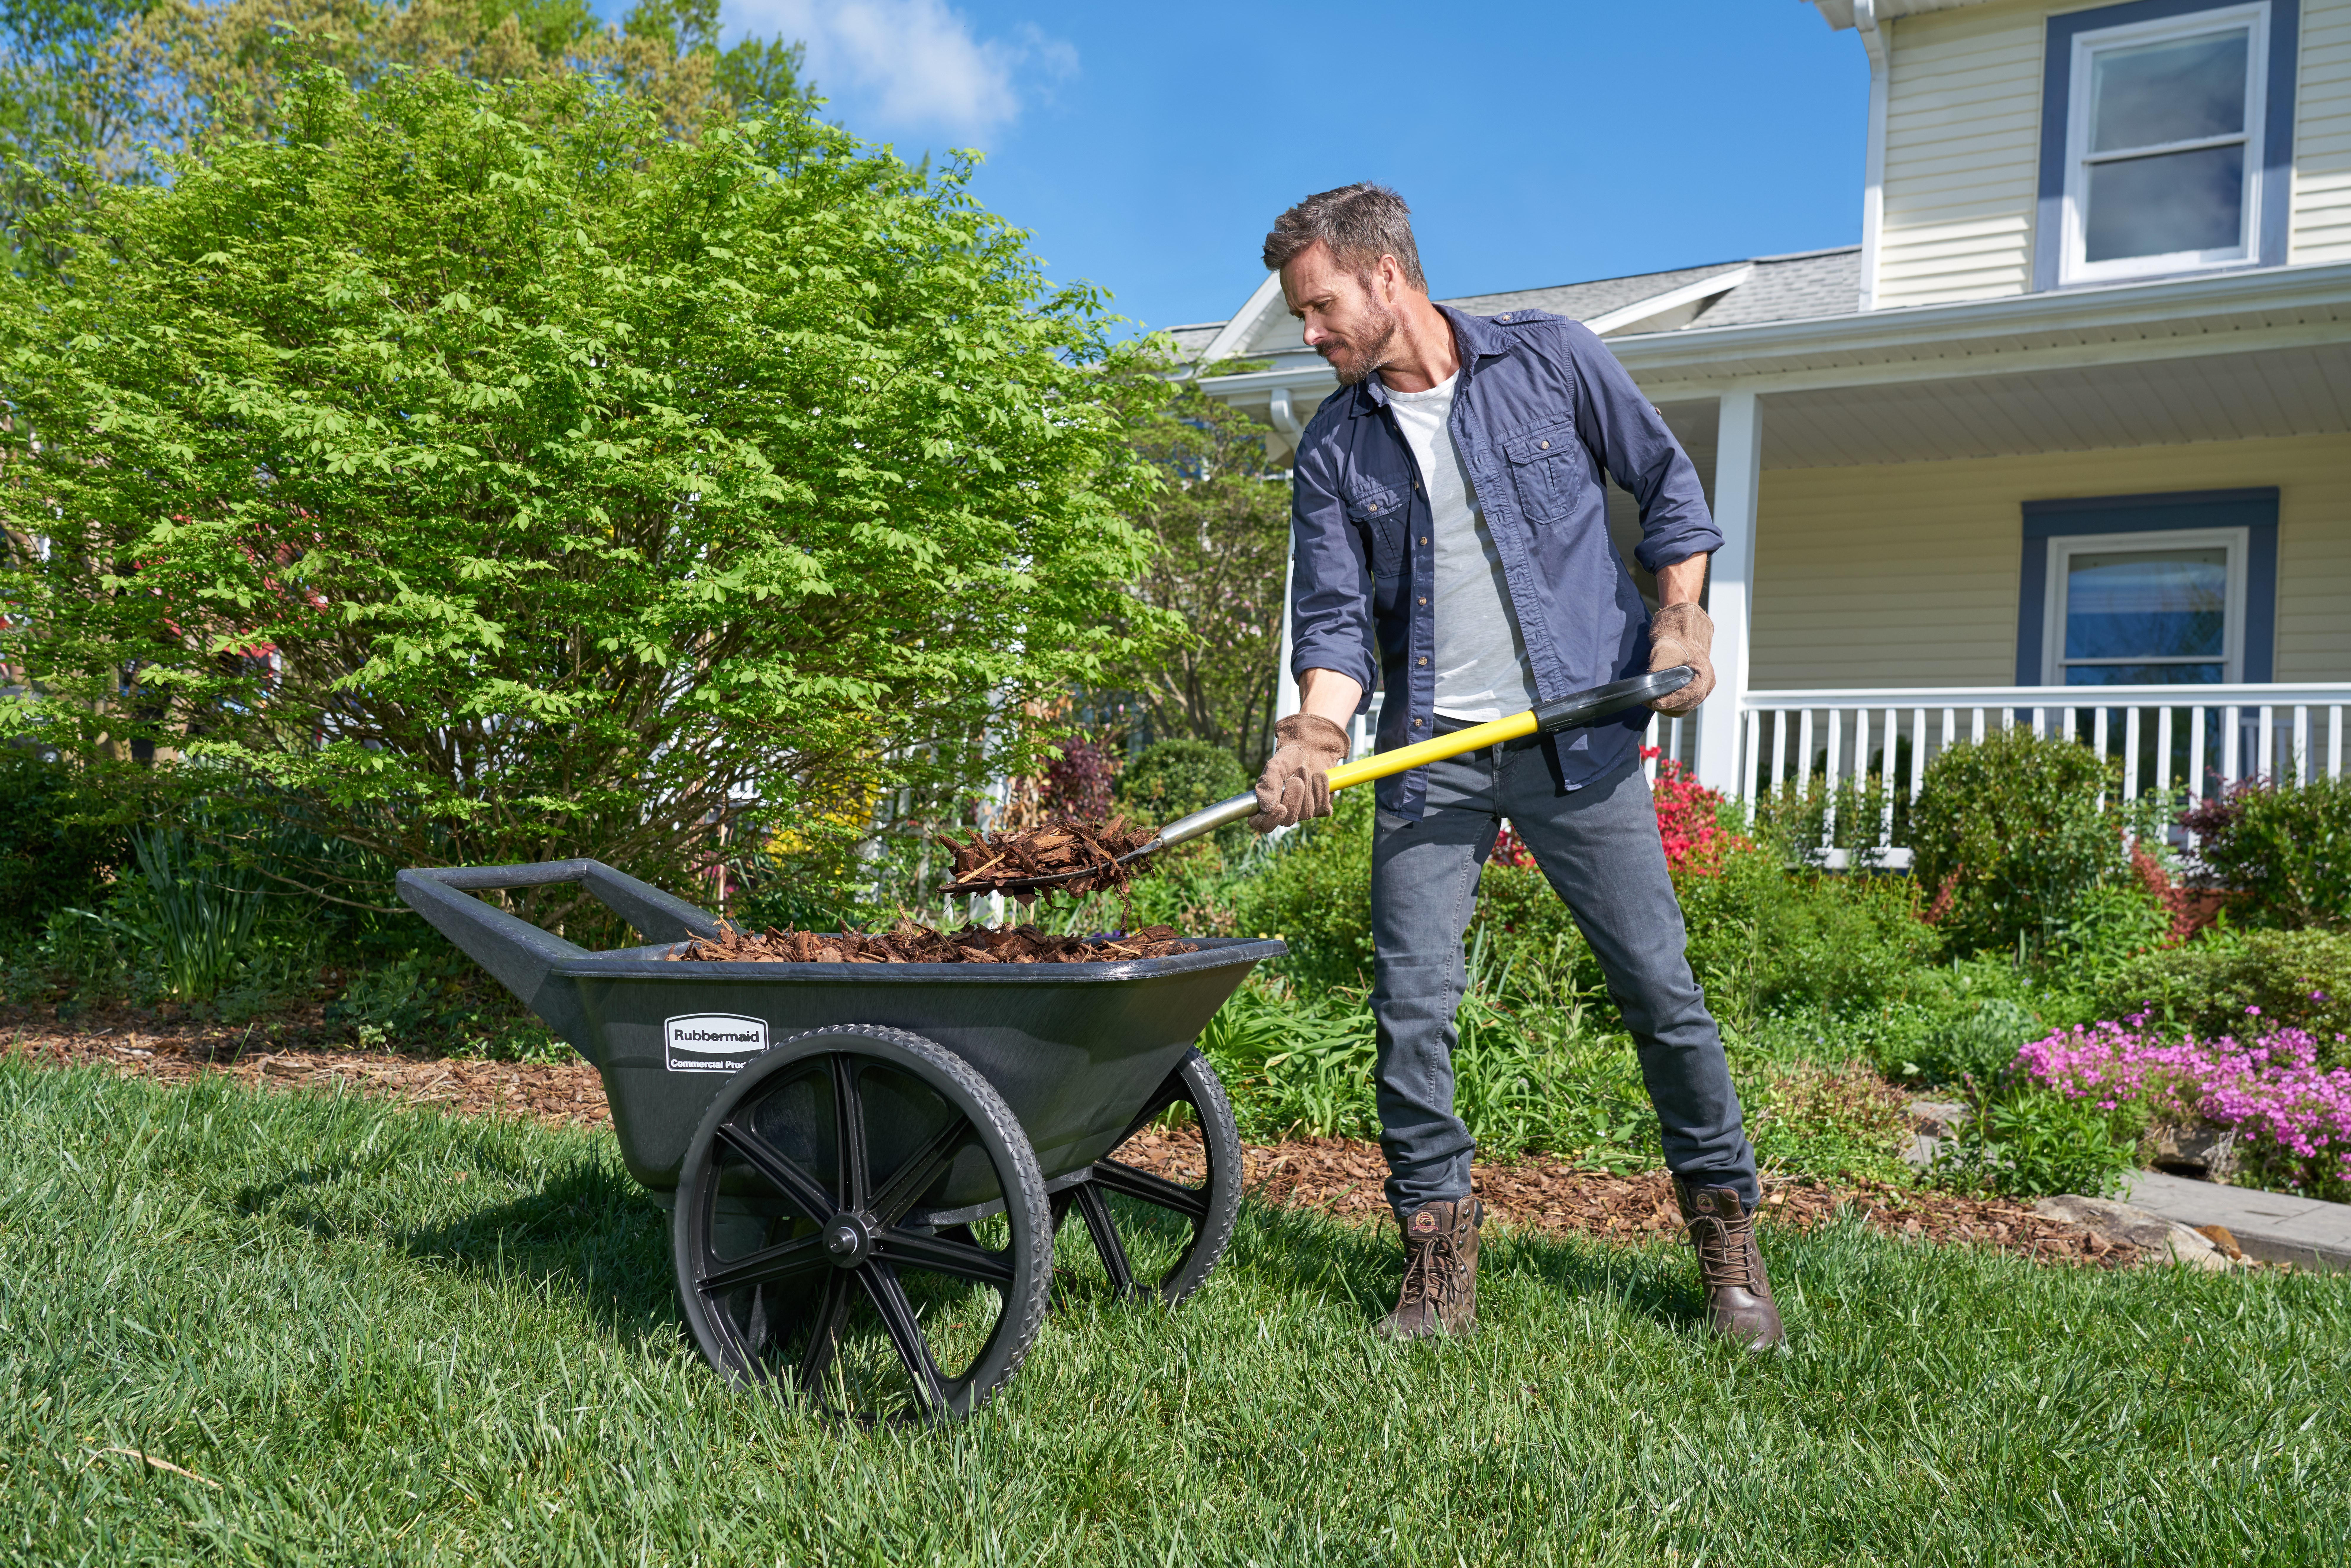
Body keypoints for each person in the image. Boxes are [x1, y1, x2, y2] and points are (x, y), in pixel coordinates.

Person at [1249, 184, 1782, 1349]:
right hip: (1435, 753)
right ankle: (1435, 1259)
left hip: (1579, 739)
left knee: (1659, 992)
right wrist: (1314, 735)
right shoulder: (1335, 447)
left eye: (1318, 305)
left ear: (1387, 278)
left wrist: (1679, 616)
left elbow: (1669, 489)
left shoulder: (1551, 362)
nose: (1308, 332)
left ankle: (1725, 1239)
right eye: (1301, 314)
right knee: (1410, 1006)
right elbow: (1335, 625)